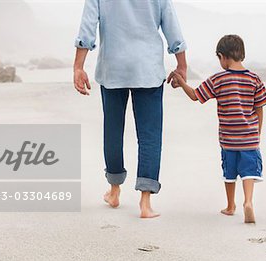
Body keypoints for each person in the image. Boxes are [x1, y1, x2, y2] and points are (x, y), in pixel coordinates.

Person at [73, 0, 187, 218]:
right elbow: (172, 26)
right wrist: (181, 64)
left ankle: (114, 190)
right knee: (150, 136)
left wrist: (78, 66)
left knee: (113, 131)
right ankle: (145, 202)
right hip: (148, 69)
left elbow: (87, 28)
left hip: (113, 69)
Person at [169, 35, 266, 223]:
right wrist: (258, 132)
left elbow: (195, 95)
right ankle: (248, 202)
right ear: (242, 54)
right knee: (249, 171)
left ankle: (230, 206)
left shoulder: (219, 79)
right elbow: (260, 108)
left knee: (229, 173)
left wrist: (181, 81)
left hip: (228, 139)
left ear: (222, 56)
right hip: (249, 139)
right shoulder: (254, 79)